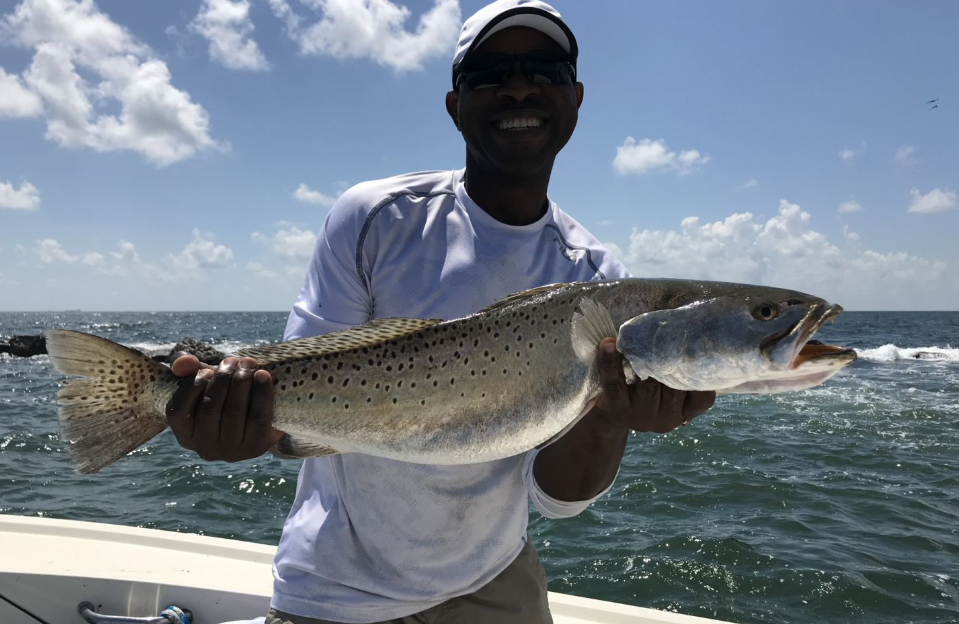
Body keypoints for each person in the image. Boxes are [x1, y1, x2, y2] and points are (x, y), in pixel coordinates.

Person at [165, 2, 715, 623]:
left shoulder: (599, 281)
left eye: (545, 69)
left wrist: (613, 420)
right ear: (455, 104)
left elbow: (557, 498)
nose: (518, 87)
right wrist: (239, 421)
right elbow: (290, 398)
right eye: (488, 73)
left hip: (493, 575)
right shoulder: (376, 217)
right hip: (337, 586)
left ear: (577, 96)